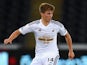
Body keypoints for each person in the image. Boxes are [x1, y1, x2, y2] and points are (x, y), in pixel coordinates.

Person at [4, 3, 75, 65]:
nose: (51, 15)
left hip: (52, 55)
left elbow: (67, 36)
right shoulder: (34, 25)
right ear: (42, 13)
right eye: (48, 13)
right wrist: (10, 39)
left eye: (51, 13)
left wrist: (71, 51)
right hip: (39, 56)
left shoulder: (57, 25)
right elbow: (18, 31)